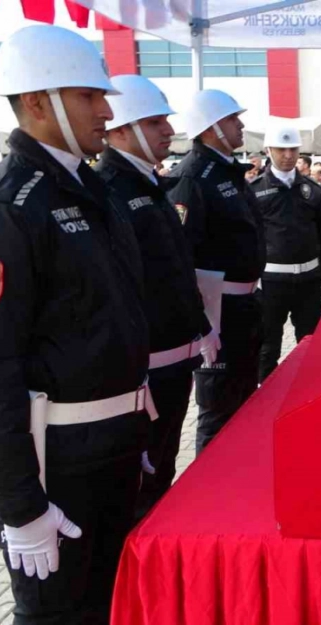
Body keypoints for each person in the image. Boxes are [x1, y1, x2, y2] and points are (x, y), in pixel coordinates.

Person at [0, 25, 153, 625]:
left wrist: (128, 431)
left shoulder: (89, 188)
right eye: (90, 96)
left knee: (108, 606)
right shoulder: (0, 211)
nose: (107, 112)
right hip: (55, 467)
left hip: (110, 448)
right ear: (37, 102)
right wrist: (19, 507)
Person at [95, 74, 217, 518]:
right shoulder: (109, 189)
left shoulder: (149, 182)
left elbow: (174, 267)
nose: (168, 130)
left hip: (174, 357)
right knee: (141, 487)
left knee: (160, 472)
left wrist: (201, 327)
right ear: (120, 130)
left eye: (164, 120)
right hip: (145, 371)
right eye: (153, 122)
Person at [169, 89, 265, 453]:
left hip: (243, 308)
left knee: (242, 401)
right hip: (217, 313)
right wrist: (202, 323)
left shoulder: (228, 172)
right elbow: (181, 257)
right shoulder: (193, 178)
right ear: (211, 127)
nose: (240, 125)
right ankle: (208, 497)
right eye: (231, 119)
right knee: (217, 409)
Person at [252, 127, 321, 381]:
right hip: (270, 283)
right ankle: (264, 404)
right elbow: (248, 239)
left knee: (310, 343)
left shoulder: (313, 190)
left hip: (309, 282)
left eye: (293, 149)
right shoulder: (254, 190)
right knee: (267, 347)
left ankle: (305, 396)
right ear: (269, 150)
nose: (288, 155)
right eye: (281, 149)